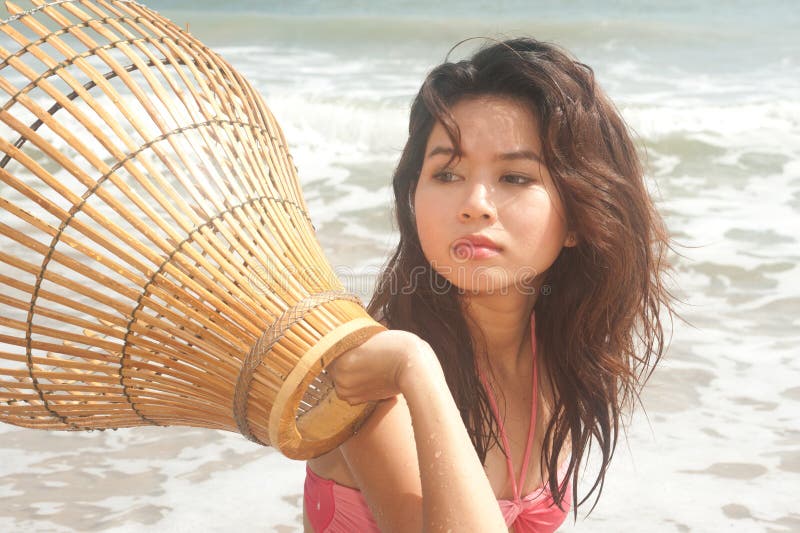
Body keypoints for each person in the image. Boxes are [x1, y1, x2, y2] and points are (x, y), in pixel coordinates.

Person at [303, 37, 676, 532]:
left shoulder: (563, 354)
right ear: (413, 197)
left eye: (516, 178)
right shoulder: (376, 374)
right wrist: (418, 372)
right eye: (447, 172)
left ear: (578, 220)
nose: (475, 203)